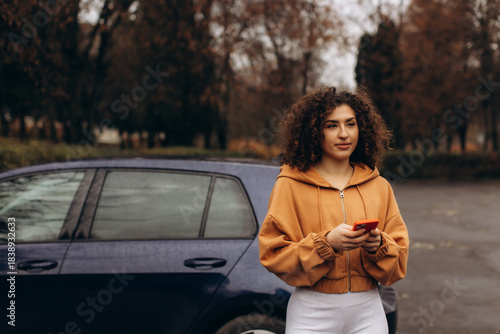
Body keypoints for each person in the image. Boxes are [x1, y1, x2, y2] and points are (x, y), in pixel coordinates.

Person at [258, 87, 409, 334]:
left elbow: (400, 259)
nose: (343, 134)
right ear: (314, 131)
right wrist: (326, 244)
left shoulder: (379, 186)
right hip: (312, 312)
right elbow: (273, 253)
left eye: (350, 124)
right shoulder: (289, 184)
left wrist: (378, 244)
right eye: (331, 125)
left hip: (368, 310)